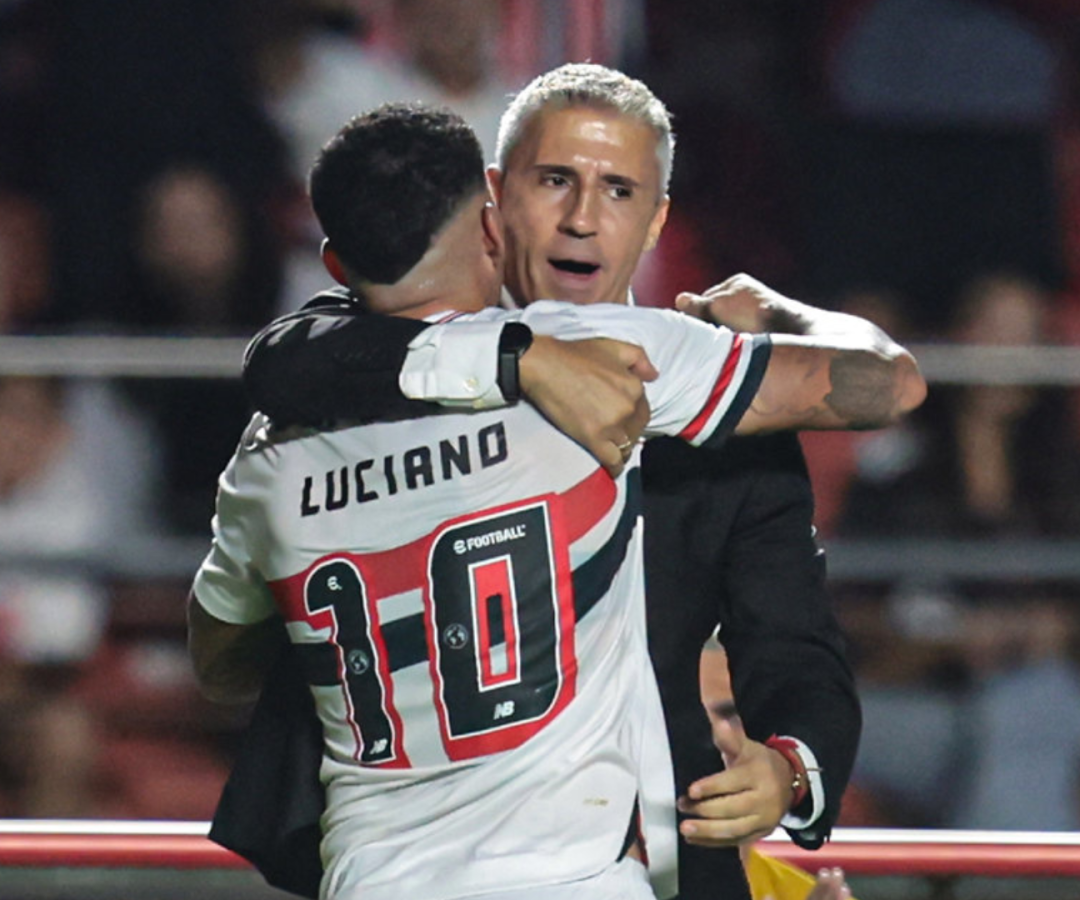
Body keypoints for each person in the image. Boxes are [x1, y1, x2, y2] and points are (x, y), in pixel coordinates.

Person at [190, 101, 922, 900]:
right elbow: (888, 380)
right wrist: (774, 311)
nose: (581, 220)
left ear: (656, 222)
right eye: (555, 182)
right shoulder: (634, 360)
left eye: (617, 190)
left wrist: (790, 769)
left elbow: (796, 643)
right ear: (496, 209)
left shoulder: (275, 447)